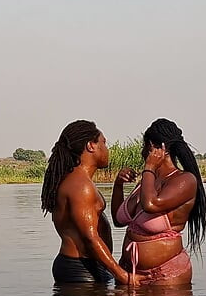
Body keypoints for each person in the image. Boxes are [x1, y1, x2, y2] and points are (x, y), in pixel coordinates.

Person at [111, 118, 206, 285]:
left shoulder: (185, 180)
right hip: (129, 273)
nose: (142, 153)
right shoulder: (148, 182)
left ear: (152, 147)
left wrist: (149, 167)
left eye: (144, 147)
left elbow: (151, 205)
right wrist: (118, 185)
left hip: (164, 276)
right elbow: (118, 221)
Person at [42, 120, 137, 285]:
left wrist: (118, 184)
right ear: (91, 146)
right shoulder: (81, 186)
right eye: (104, 143)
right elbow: (90, 238)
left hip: (82, 266)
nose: (107, 149)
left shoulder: (77, 180)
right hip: (81, 269)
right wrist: (122, 275)